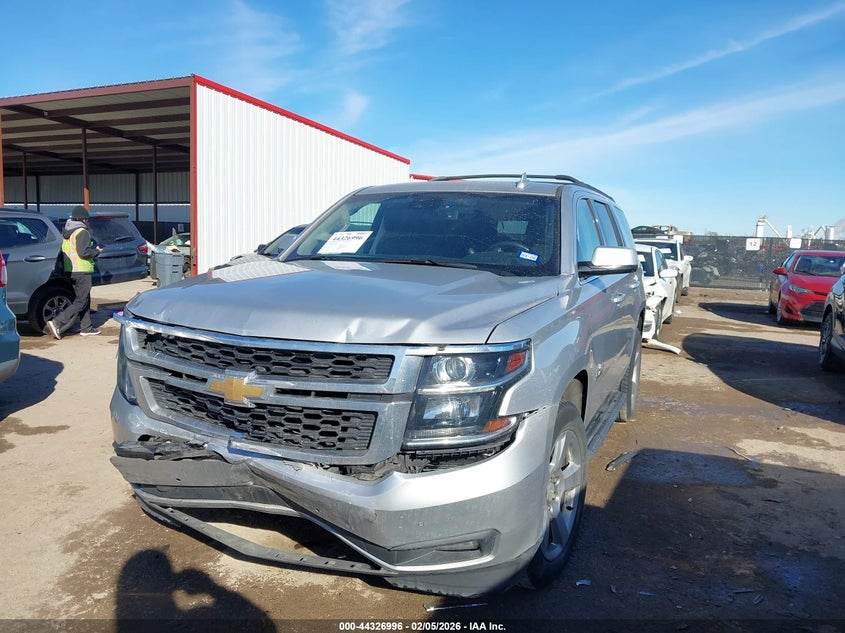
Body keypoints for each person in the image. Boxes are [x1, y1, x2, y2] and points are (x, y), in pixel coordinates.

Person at [46, 206, 103, 339]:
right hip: (82, 270)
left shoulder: (67, 231)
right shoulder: (82, 232)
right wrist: (97, 252)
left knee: (84, 299)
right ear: (83, 220)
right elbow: (83, 252)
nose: (88, 222)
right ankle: (57, 321)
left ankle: (86, 327)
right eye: (87, 220)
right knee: (81, 301)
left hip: (71, 269)